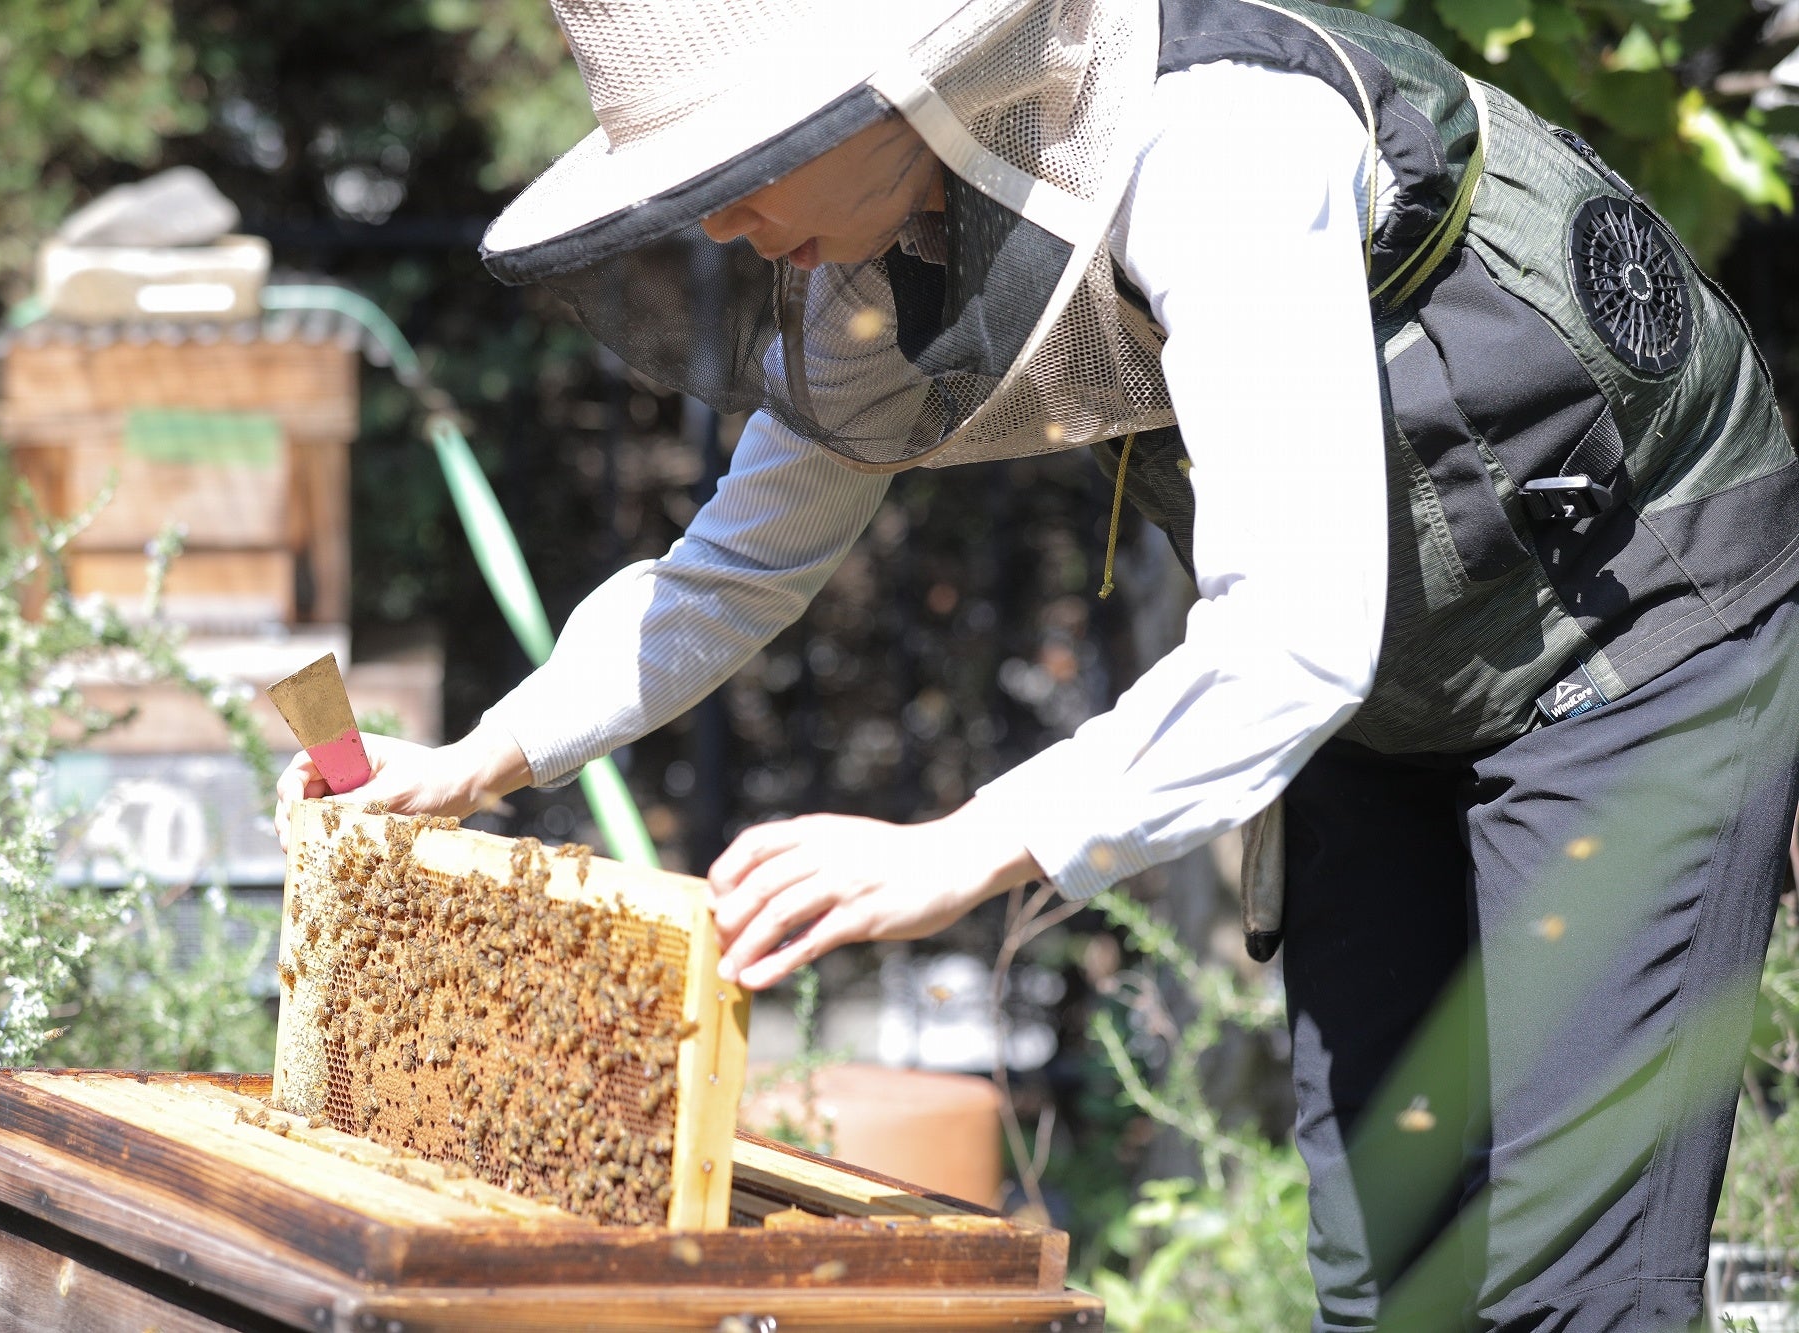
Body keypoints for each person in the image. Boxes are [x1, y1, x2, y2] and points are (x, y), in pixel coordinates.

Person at [275, 0, 1799, 1327]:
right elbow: (730, 565)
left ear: (882, 94)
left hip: (1639, 640)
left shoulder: (1220, 151)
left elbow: (1289, 630)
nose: (719, 225)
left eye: (737, 168)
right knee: (1391, 1264)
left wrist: (962, 847)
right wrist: (494, 748)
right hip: (1372, 697)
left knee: (1565, 1291)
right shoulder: (895, 241)